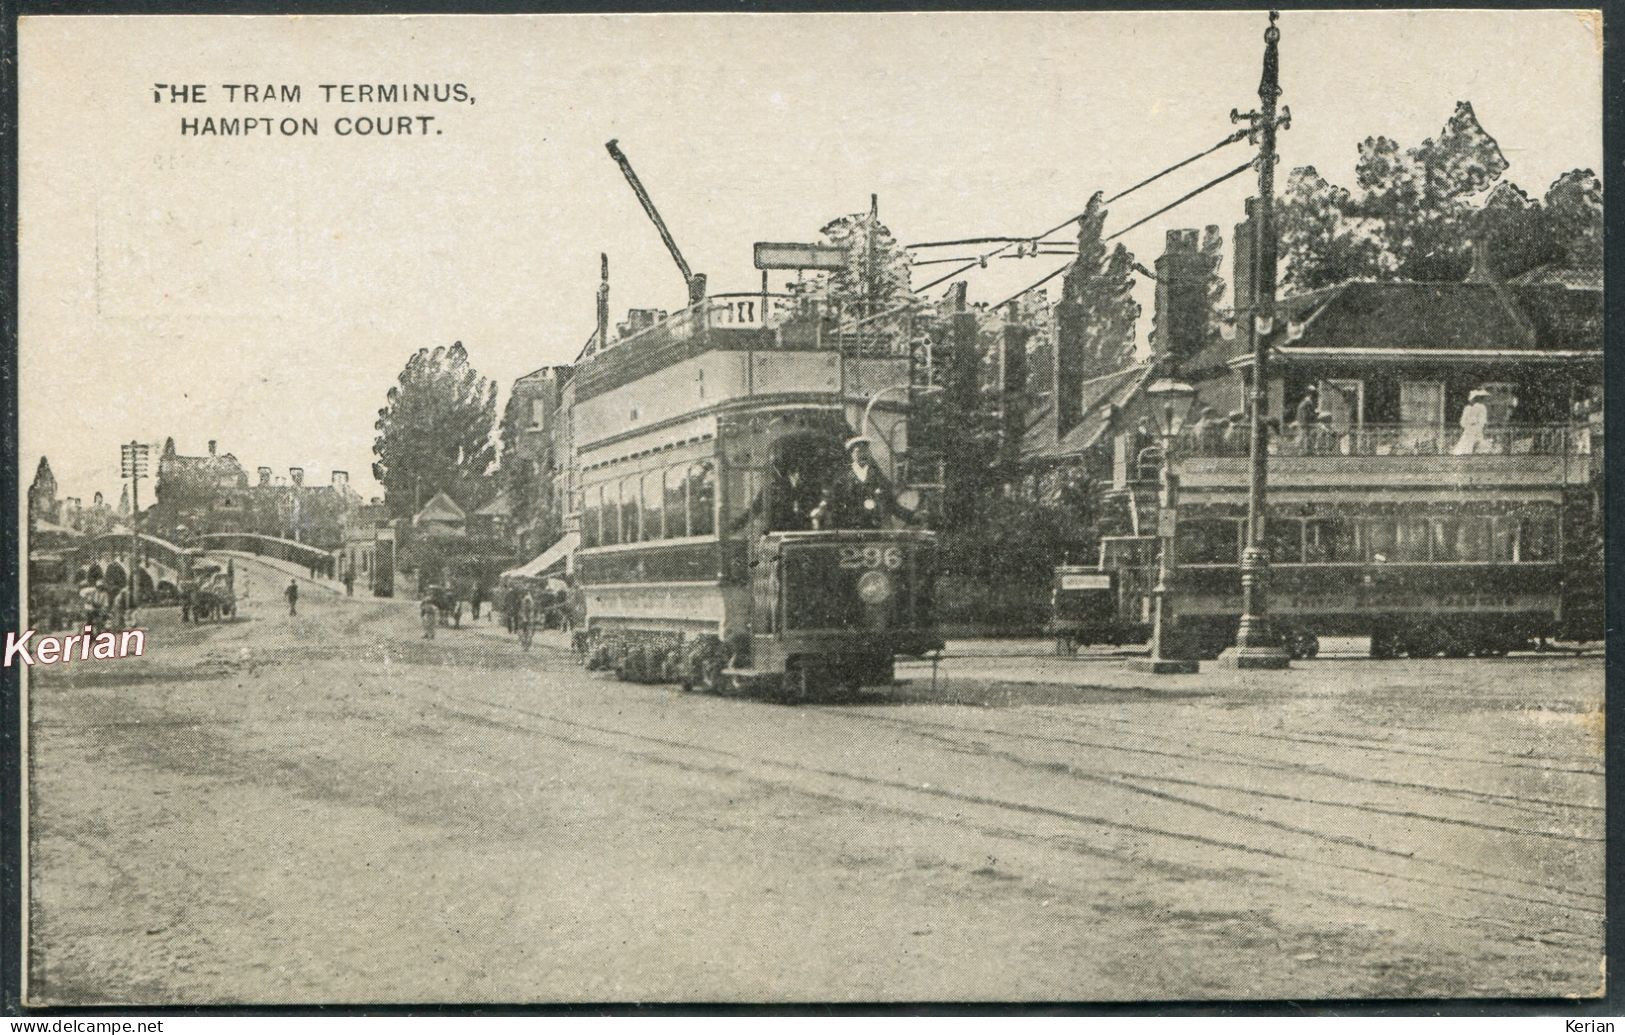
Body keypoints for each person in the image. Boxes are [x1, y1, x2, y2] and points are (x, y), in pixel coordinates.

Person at [813, 436, 911, 531]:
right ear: (852, 454)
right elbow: (831, 497)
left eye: (866, 450)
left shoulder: (878, 477)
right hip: (850, 530)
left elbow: (891, 502)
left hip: (873, 530)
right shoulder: (843, 477)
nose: (863, 454)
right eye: (859, 451)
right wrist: (821, 509)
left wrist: (911, 517)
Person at [1454, 389, 1491, 455]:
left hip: (1470, 428)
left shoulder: (1468, 408)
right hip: (1476, 428)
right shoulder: (1481, 407)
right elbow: (1482, 420)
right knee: (1476, 444)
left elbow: (1463, 422)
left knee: (1467, 443)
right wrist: (1482, 426)